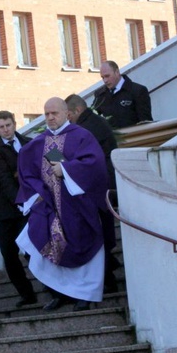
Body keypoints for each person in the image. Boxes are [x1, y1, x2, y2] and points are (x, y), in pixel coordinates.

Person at [16, 97, 108, 312]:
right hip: (50, 207)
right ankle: (59, 293)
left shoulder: (82, 137)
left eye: (54, 113)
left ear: (66, 113)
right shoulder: (39, 143)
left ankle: (84, 295)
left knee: (85, 246)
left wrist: (67, 170)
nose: (50, 117)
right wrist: (36, 193)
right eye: (47, 113)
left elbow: (95, 165)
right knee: (33, 241)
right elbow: (26, 171)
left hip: (78, 206)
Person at [65, 94, 120, 292]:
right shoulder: (95, 123)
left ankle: (107, 278)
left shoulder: (85, 130)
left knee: (97, 234)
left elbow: (74, 158)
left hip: (96, 189)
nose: (67, 119)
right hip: (104, 185)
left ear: (77, 111)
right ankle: (109, 272)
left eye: (67, 114)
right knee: (102, 233)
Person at [0, 111, 37, 308]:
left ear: (15, 124)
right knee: (9, 255)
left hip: (30, 206)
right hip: (6, 211)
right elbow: (3, 178)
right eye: (1, 127)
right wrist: (20, 199)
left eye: (8, 125)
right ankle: (26, 294)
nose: (5, 130)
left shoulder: (29, 142)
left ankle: (54, 288)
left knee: (34, 249)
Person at [92, 60, 152, 129]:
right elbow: (92, 117)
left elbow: (145, 121)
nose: (105, 80)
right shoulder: (101, 95)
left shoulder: (138, 91)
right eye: (102, 77)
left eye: (107, 76)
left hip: (135, 136)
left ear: (117, 72)